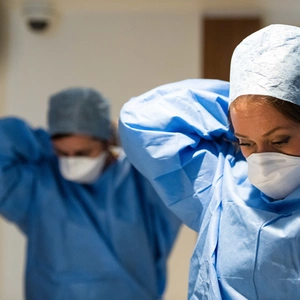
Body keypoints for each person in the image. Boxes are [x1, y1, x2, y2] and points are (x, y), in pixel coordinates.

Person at [119, 23, 300, 299]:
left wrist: (268, 101)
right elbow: (139, 119)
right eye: (247, 142)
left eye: (279, 141)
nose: (262, 158)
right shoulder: (223, 177)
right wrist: (242, 104)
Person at [0, 87, 181, 300]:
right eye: (62, 152)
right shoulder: (40, 182)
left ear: (107, 141)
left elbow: (177, 148)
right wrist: (45, 142)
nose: (71, 161)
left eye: (83, 152)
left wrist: (127, 137)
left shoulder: (141, 181)